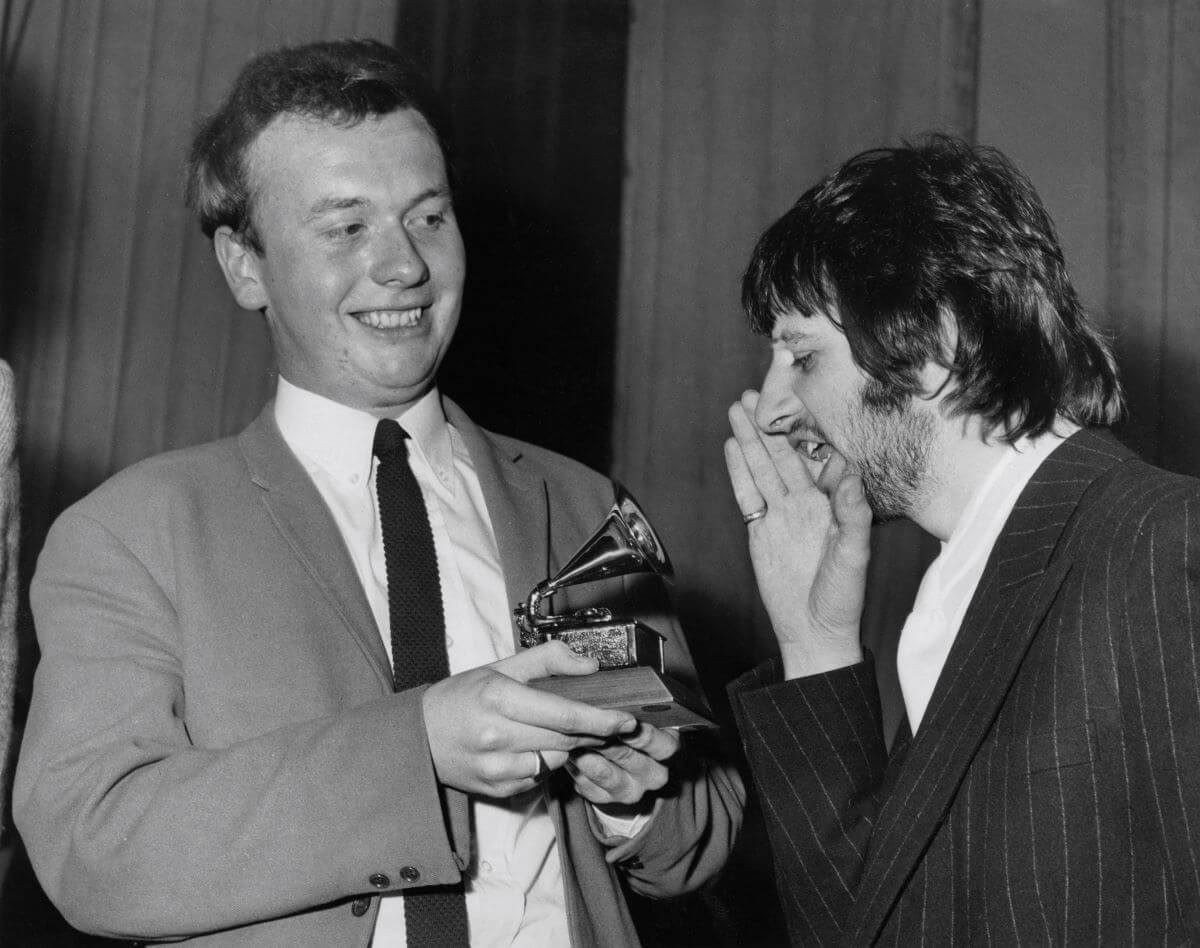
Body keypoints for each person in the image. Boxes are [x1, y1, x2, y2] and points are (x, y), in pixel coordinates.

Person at [14, 39, 742, 946]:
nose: (403, 266)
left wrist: (636, 798)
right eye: (345, 226)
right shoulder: (133, 533)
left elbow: (701, 833)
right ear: (246, 266)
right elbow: (94, 849)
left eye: (428, 218)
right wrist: (420, 750)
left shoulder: (583, 505)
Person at [723, 134, 1200, 944]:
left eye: (801, 357)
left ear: (935, 344)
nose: (771, 407)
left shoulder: (1157, 545)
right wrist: (814, 644)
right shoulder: (960, 586)